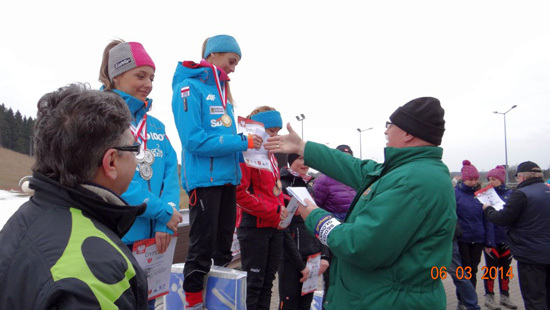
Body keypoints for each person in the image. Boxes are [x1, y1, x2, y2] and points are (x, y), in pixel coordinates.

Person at [265, 97, 457, 309]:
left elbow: (359, 246)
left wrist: (314, 216)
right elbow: (354, 167)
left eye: (390, 125)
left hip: (386, 301)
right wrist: (303, 147)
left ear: (408, 133)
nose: (385, 132)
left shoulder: (413, 182)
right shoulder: (405, 171)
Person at [0, 84, 148, 309]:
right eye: (133, 149)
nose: (137, 160)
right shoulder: (99, 271)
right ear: (110, 162)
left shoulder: (23, 218)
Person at [171, 34, 262, 310]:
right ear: (213, 55)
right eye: (231, 61)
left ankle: (220, 299)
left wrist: (251, 151)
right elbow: (193, 140)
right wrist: (241, 142)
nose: (234, 67)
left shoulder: (226, 97)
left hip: (227, 179)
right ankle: (193, 303)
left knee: (223, 248)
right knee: (200, 249)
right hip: (204, 180)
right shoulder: (189, 88)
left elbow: (225, 139)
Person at [99, 40, 183, 310]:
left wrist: (165, 220)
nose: (148, 83)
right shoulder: (101, 119)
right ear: (117, 76)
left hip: (152, 242)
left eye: (151, 77)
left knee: (146, 302)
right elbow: (114, 180)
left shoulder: (155, 125)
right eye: (140, 75)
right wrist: (161, 212)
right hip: (116, 236)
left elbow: (171, 171)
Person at [236, 106, 288, 310]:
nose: (275, 135)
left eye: (277, 130)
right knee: (253, 285)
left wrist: (285, 208)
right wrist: (274, 211)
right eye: (271, 130)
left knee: (267, 284)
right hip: (254, 228)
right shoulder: (245, 153)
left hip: (275, 227)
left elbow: (273, 192)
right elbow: (239, 194)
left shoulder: (271, 156)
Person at [483, 161, 550, 310]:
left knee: (534, 298)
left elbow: (503, 219)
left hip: (531, 256)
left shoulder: (521, 194)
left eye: (518, 177)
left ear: (522, 177)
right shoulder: (547, 190)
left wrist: (488, 209)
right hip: (546, 252)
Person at [279, 153, 330, 310]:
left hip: (312, 258)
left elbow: (319, 222)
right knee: (289, 304)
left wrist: (324, 255)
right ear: (290, 161)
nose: (304, 163)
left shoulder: (309, 188)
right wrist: (300, 265)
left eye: (306, 159)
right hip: (291, 260)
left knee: (306, 305)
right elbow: (283, 228)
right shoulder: (282, 186)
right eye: (299, 158)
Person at [313, 144, 356, 308]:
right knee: (331, 279)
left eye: (350, 157)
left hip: (351, 237)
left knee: (349, 279)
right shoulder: (323, 180)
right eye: (343, 157)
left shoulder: (355, 180)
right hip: (331, 237)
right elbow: (315, 209)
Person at [483, 165, 517, 309]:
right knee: (491, 270)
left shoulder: (511, 194)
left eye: (494, 179)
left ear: (501, 180)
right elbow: (485, 220)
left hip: (507, 239)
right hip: (492, 239)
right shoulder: (485, 195)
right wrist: (488, 241)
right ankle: (489, 297)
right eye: (489, 179)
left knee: (505, 270)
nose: (491, 182)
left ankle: (505, 296)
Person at [455, 159, 493, 289]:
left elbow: (487, 219)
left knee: (473, 269)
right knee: (464, 269)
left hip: (478, 237)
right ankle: (463, 299)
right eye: (470, 179)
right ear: (464, 179)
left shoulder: (481, 195)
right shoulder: (455, 194)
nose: (473, 182)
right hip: (463, 238)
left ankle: (471, 298)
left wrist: (489, 241)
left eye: (475, 179)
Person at [449, 224, 482, 310]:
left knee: (459, 275)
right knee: (459, 275)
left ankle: (472, 305)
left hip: (445, 239)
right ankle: (471, 305)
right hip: (447, 237)